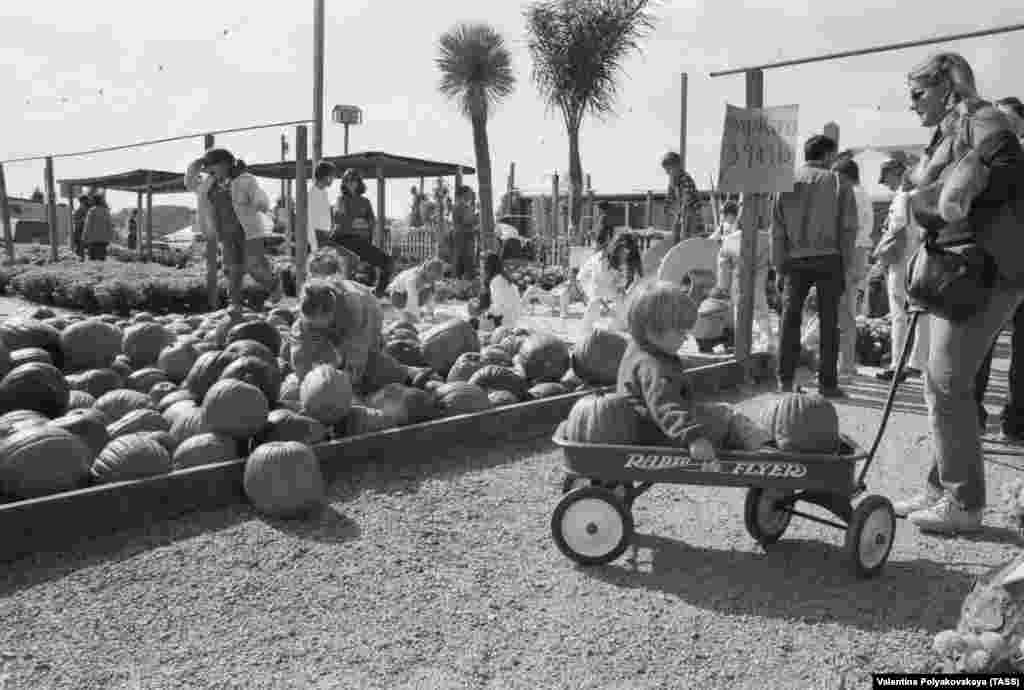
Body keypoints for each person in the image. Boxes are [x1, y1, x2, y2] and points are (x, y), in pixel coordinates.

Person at [893, 53, 1024, 534]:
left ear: (947, 86)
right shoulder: (949, 131)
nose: (911, 104)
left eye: (917, 92)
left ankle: (964, 504)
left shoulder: (982, 117)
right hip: (961, 271)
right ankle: (941, 487)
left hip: (989, 270)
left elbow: (1008, 167)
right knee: (940, 383)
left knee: (948, 382)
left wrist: (955, 194)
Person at [617, 281, 772, 457]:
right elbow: (665, 405)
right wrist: (693, 438)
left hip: (652, 429)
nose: (685, 338)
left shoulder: (639, 350)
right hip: (663, 434)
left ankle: (759, 446)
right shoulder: (652, 366)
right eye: (681, 333)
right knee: (728, 417)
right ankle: (766, 454)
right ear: (653, 331)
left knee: (720, 412)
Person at [771, 134, 859, 398]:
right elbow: (848, 229)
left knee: (789, 321)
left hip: (794, 260)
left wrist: (779, 266)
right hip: (829, 258)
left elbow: (777, 230)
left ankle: (785, 382)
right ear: (828, 155)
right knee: (829, 322)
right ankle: (827, 384)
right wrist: (846, 265)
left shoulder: (784, 182)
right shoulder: (838, 182)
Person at [973, 96, 1024, 438]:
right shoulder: (981, 158)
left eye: (1007, 120)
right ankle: (972, 418)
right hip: (987, 265)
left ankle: (1015, 422)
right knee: (978, 346)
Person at [185, 148, 282, 310]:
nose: (208, 171)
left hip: (249, 232)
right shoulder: (210, 184)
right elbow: (191, 185)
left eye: (211, 167)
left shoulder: (244, 179)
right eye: (207, 168)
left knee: (253, 266)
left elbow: (259, 195)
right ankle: (235, 305)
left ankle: (274, 285)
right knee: (232, 271)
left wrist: (260, 203)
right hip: (226, 234)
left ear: (224, 164)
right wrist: (193, 167)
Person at [296, 246, 385, 390]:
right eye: (313, 275)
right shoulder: (307, 303)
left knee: (369, 363)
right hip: (334, 316)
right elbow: (300, 349)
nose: (319, 277)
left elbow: (358, 349)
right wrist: (305, 383)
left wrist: (346, 386)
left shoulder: (354, 306)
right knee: (325, 352)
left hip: (370, 311)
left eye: (324, 274)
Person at [874, 159, 929, 383]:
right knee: (921, 312)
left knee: (899, 315)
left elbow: (896, 229)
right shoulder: (922, 195)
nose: (885, 184)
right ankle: (918, 362)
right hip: (921, 258)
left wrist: (882, 257)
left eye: (886, 178)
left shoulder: (903, 197)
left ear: (897, 173)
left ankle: (899, 364)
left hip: (901, 261)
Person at [716, 201, 775, 352]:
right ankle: (767, 343)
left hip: (738, 284)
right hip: (758, 284)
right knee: (761, 314)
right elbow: (773, 260)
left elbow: (723, 267)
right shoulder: (766, 239)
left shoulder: (729, 240)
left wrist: (723, 287)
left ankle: (744, 347)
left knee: (740, 317)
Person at [330, 169, 394, 297]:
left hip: (361, 242)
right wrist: (360, 223)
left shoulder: (365, 202)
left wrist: (356, 222)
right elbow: (340, 220)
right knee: (349, 267)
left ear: (359, 183)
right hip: (342, 239)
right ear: (344, 183)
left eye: (354, 180)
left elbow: (371, 223)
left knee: (388, 262)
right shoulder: (341, 200)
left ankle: (378, 293)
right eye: (347, 180)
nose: (351, 183)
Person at [578, 228, 641, 334]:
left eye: (628, 253)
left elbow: (635, 282)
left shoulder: (629, 260)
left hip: (609, 293)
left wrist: (626, 293)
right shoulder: (602, 260)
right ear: (617, 248)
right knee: (594, 305)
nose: (625, 255)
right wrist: (606, 305)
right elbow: (597, 286)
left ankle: (611, 333)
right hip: (589, 283)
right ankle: (584, 335)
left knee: (620, 314)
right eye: (623, 251)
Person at [289, 279, 345, 380]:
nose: (316, 329)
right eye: (311, 325)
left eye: (320, 326)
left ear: (331, 315)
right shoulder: (300, 329)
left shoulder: (347, 316)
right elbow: (299, 366)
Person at [386, 257, 446, 323]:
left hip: (407, 295)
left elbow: (430, 298)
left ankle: (410, 315)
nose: (433, 280)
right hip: (397, 296)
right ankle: (405, 315)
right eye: (432, 277)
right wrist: (415, 316)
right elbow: (412, 298)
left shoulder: (429, 280)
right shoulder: (413, 279)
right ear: (427, 270)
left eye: (435, 278)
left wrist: (430, 314)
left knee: (429, 290)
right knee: (409, 320)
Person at [661, 152, 705, 240]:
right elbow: (670, 195)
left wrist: (680, 212)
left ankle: (686, 241)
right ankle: (676, 242)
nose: (667, 173)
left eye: (669, 169)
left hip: (692, 211)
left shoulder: (686, 178)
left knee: (686, 230)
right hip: (683, 210)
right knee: (676, 229)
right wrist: (667, 206)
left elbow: (687, 197)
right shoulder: (673, 181)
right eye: (666, 170)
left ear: (677, 167)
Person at [307, 161, 336, 256]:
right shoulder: (312, 194)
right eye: (332, 176)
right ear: (325, 176)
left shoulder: (324, 193)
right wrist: (314, 247)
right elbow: (310, 222)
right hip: (317, 238)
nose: (333, 179)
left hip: (325, 237)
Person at [451, 185, 478, 279]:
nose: (471, 195)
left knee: (462, 263)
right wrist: (476, 218)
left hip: (464, 239)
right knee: (465, 264)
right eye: (470, 193)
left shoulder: (464, 206)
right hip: (463, 239)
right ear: (464, 194)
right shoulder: (461, 206)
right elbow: (467, 221)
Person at [82, 193, 113, 261]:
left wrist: (84, 237)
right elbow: (110, 226)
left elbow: (88, 225)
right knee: (102, 259)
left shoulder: (92, 211)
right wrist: (110, 237)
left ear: (94, 201)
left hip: (93, 239)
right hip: (104, 240)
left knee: (93, 260)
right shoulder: (106, 211)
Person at [71, 195, 91, 260]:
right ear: (82, 202)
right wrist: (83, 220)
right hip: (79, 233)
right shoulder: (78, 211)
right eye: (86, 201)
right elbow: (76, 222)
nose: (87, 203)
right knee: (80, 251)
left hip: (85, 233)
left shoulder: (87, 210)